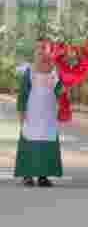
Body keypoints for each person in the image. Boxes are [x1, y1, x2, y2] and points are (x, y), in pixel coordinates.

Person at [15, 40, 63, 187]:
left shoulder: (56, 70)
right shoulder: (29, 70)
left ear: (50, 50)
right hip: (32, 113)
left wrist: (63, 97)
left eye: (44, 48)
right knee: (29, 143)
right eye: (37, 48)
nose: (41, 51)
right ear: (34, 52)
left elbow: (59, 91)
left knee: (47, 145)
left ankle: (43, 176)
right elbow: (23, 93)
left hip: (49, 114)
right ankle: (27, 175)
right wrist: (21, 111)